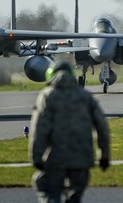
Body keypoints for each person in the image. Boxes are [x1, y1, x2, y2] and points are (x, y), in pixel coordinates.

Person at [29, 61, 110, 203]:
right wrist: (104, 155)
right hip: (82, 159)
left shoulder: (48, 96)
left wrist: (36, 157)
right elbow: (102, 127)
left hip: (55, 158)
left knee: (49, 192)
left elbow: (39, 129)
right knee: (75, 197)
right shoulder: (85, 96)